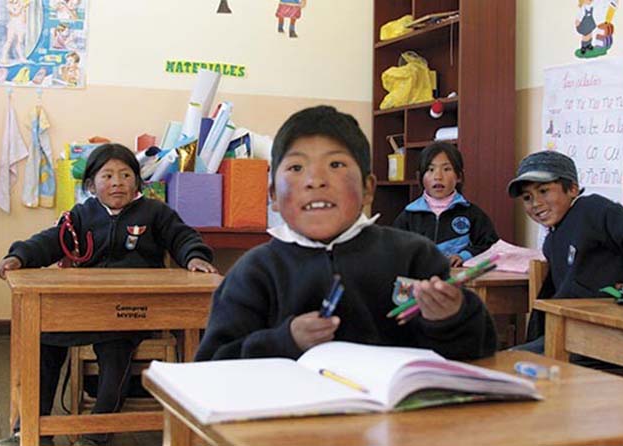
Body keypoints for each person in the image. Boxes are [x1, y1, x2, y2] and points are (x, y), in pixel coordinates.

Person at [195, 105, 496, 362]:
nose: (315, 180)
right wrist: (286, 340)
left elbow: (479, 351)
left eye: (336, 164)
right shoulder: (254, 271)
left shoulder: (414, 256)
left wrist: (450, 316)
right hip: (289, 426)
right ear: (272, 193)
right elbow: (213, 365)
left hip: (396, 425)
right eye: (297, 167)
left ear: (368, 188)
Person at [0, 143, 217, 446]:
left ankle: (98, 433)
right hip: (86, 309)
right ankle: (31, 431)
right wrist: (19, 256)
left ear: (137, 182)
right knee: (44, 339)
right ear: (91, 184)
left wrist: (194, 257)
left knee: (116, 350)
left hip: (134, 312)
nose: (117, 182)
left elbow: (183, 236)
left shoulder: (155, 212)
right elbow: (51, 240)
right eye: (108, 175)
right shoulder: (82, 214)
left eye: (126, 175)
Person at [508, 150, 623, 353]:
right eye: (527, 197)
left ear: (572, 189)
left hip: (615, 329)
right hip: (572, 329)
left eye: (544, 191)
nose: (535, 203)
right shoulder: (551, 240)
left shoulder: (594, 210)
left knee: (512, 362)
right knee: (510, 360)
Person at [393, 142, 499, 267]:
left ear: (459, 176)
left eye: (446, 169)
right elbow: (394, 250)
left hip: (458, 280)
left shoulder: (472, 214)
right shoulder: (408, 215)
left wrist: (464, 256)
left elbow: (492, 247)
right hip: (419, 282)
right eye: (431, 169)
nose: (438, 176)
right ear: (420, 177)